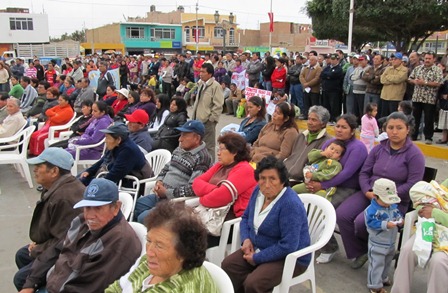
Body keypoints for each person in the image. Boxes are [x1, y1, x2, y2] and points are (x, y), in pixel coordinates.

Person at [18, 178, 141, 293]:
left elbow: (87, 287)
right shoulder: (82, 221)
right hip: (56, 279)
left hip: (62, 288)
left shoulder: (118, 242)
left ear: (116, 208)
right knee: (23, 278)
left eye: (98, 208)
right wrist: (31, 283)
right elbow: (57, 249)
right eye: (87, 207)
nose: (90, 215)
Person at [336, 112, 425, 269]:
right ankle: (362, 251)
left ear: (408, 129)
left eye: (399, 128)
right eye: (390, 128)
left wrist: (386, 196)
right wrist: (367, 190)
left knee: (361, 222)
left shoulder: (414, 154)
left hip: (394, 201)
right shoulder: (379, 149)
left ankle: (377, 250)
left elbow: (413, 183)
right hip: (371, 193)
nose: (394, 132)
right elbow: (364, 172)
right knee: (342, 215)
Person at [222, 156, 311, 292]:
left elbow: (288, 245)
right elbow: (245, 218)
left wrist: (257, 258)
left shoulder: (289, 204)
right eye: (263, 178)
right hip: (259, 246)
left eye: (272, 179)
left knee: (254, 283)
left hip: (289, 258)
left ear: (282, 181)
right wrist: (246, 239)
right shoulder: (258, 192)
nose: (267, 184)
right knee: (229, 265)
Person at [106, 201, 219, 293]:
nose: (149, 252)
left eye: (159, 246)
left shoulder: (181, 288)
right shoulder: (148, 263)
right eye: (149, 240)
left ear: (184, 252)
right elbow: (116, 288)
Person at [14, 148, 85, 290]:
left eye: (39, 166)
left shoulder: (64, 198)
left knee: (21, 279)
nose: (35, 170)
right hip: (57, 243)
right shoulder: (55, 188)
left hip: (71, 253)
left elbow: (63, 243)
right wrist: (38, 245)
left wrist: (31, 282)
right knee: (22, 255)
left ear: (54, 172)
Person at [134, 120, 212, 223]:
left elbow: (194, 188)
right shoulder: (179, 149)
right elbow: (166, 168)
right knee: (136, 205)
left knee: (144, 217)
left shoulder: (202, 158)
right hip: (161, 195)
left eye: (184, 135)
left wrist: (167, 193)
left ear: (196, 138)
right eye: (181, 135)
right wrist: (159, 181)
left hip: (176, 203)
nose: (180, 139)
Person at [192, 133, 257, 246]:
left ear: (234, 152)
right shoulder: (220, 166)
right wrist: (216, 189)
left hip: (232, 221)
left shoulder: (245, 170)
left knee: (190, 238)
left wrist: (203, 198)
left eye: (222, 149)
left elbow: (220, 197)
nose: (218, 153)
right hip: (212, 214)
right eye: (218, 148)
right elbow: (196, 183)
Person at [391, 179, 448, 293]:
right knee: (408, 250)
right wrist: (423, 206)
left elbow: (433, 210)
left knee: (438, 261)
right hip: (434, 227)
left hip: (444, 238)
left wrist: (435, 213)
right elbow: (430, 197)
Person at [79, 122, 153, 186]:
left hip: (131, 181)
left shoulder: (128, 150)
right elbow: (103, 159)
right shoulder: (116, 144)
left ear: (118, 139)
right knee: (81, 177)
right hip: (112, 176)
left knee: (83, 183)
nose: (105, 141)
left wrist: (95, 183)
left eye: (108, 138)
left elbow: (115, 175)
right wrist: (89, 171)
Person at [365, 178, 403, 293]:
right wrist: (385, 224)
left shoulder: (392, 206)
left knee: (387, 262)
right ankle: (374, 285)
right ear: (375, 196)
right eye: (385, 200)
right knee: (376, 264)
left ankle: (383, 278)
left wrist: (400, 220)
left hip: (391, 243)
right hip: (377, 243)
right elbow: (371, 223)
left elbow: (397, 214)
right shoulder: (371, 210)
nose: (388, 203)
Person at [284, 105, 331, 183]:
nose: (309, 122)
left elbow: (317, 166)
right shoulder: (301, 136)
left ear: (323, 124)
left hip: (300, 180)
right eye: (309, 119)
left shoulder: (327, 141)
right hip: (284, 174)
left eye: (314, 120)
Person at [191, 63, 224, 161]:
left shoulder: (215, 86)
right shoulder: (201, 84)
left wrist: (211, 119)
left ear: (210, 74)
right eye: (200, 71)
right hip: (197, 120)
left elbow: (218, 105)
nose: (201, 74)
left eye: (203, 72)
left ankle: (210, 167)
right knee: (197, 144)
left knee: (209, 146)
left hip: (208, 121)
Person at [409, 52, 444, 144]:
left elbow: (439, 83)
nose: (427, 60)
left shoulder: (437, 70)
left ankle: (428, 137)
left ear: (434, 59)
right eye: (426, 58)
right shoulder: (418, 68)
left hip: (429, 98)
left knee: (429, 119)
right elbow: (410, 79)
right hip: (417, 97)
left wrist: (424, 82)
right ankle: (414, 135)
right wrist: (415, 81)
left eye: (429, 58)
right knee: (415, 118)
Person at [380, 53, 408, 118]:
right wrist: (392, 79)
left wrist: (388, 77)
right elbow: (382, 80)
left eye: (395, 59)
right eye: (392, 59)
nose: (393, 61)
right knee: (384, 116)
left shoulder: (404, 69)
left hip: (395, 98)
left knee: (394, 117)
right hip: (385, 96)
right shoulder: (388, 68)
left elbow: (398, 79)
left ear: (401, 60)